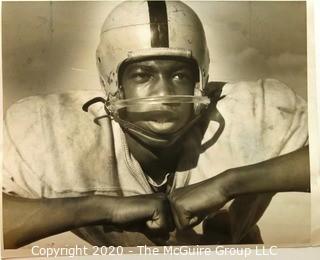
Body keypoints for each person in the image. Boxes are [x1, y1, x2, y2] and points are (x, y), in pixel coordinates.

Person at [3, 0, 309, 249]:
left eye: (179, 75)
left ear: (200, 78)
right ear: (113, 83)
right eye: (142, 75)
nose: (164, 96)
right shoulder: (54, 131)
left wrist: (229, 183)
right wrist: (102, 207)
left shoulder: (252, 111)